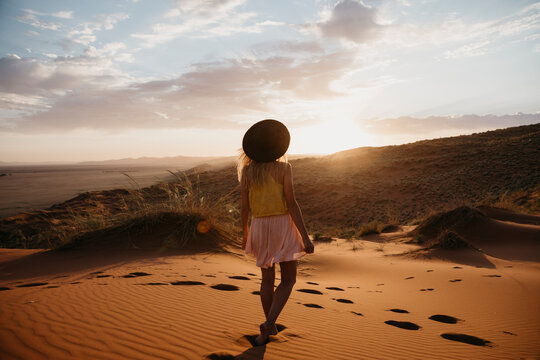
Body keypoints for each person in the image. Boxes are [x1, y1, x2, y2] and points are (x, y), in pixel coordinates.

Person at [238, 119, 315, 346]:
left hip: (259, 226)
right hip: (283, 224)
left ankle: (266, 328)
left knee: (266, 280)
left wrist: (245, 233)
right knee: (289, 279)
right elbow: (292, 204)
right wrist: (305, 236)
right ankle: (270, 321)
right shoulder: (284, 168)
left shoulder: (247, 172)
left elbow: (244, 207)